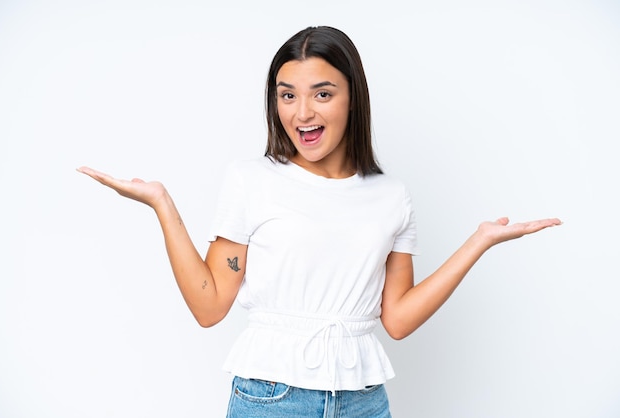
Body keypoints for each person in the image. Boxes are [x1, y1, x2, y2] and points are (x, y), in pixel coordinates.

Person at [78, 26, 561, 418]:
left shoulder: (390, 196)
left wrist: (477, 242)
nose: (302, 113)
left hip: (363, 401)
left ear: (354, 98)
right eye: (287, 95)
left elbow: (396, 319)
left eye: (322, 94)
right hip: (271, 399)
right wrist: (164, 205)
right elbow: (209, 307)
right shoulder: (252, 180)